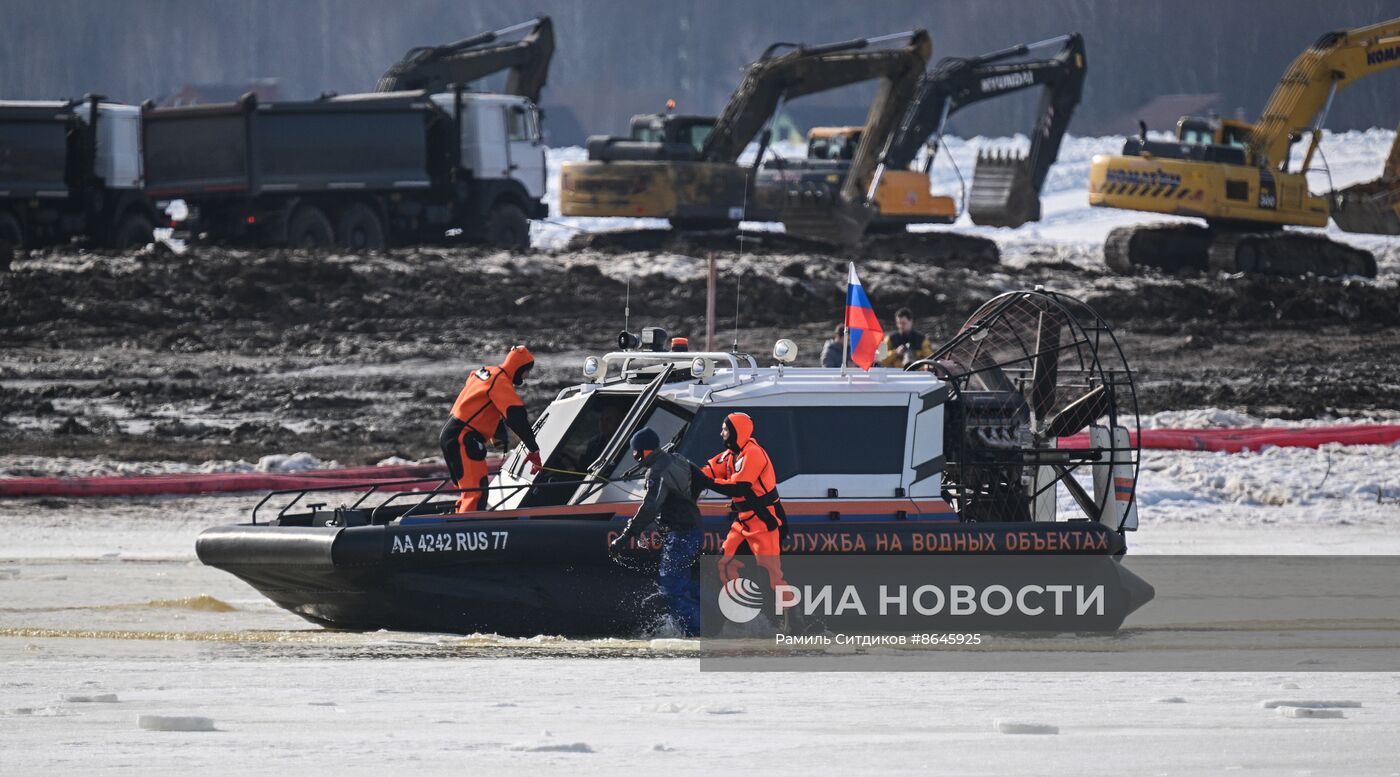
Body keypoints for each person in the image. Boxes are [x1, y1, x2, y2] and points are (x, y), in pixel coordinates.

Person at [609, 427, 705, 635]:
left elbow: (650, 506)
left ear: (644, 451)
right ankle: (713, 620)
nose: (635, 458)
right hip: (691, 530)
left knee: (672, 587)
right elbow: (699, 479)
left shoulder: (657, 471)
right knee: (684, 584)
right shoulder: (676, 459)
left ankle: (696, 633)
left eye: (636, 453)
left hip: (681, 534)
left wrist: (626, 536)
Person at [439, 346, 541, 513]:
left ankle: (459, 520)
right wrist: (534, 450)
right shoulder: (501, 382)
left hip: (450, 434)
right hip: (464, 439)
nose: (527, 376)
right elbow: (516, 418)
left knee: (470, 492)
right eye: (526, 371)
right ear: (518, 368)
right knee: (476, 494)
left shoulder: (485, 372)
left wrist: (499, 440)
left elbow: (485, 403)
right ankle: (468, 531)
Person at [702, 412, 786, 591]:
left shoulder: (753, 453)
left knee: (771, 578)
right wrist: (687, 475)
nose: (721, 433)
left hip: (766, 519)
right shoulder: (731, 454)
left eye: (725, 430)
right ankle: (741, 611)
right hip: (744, 520)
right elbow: (708, 470)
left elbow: (739, 488)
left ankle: (791, 618)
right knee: (724, 564)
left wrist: (708, 483)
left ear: (736, 431)